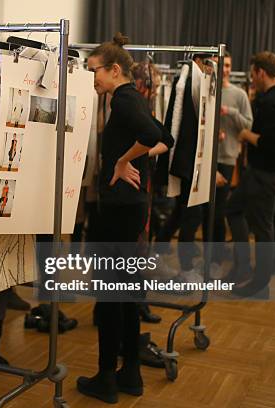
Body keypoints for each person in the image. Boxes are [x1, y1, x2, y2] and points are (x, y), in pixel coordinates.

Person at [77, 33, 174, 404]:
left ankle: (105, 378)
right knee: (128, 292)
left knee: (112, 293)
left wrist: (122, 160)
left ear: (114, 69)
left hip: (119, 210)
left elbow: (153, 134)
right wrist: (138, 156)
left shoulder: (123, 100)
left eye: (94, 71)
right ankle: (130, 373)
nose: (92, 79)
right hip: (131, 208)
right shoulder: (134, 98)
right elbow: (165, 138)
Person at [226, 51, 275, 298]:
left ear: (261, 72)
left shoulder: (271, 102)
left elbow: (273, 143)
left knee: (262, 228)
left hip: (266, 173)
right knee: (234, 209)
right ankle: (244, 268)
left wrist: (247, 136)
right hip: (262, 172)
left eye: (252, 74)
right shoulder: (274, 97)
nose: (251, 79)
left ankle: (260, 284)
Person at [204, 52, 254, 276]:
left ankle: (216, 257)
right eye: (221, 65)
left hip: (226, 158)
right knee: (204, 209)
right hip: (205, 158)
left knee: (219, 210)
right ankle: (209, 257)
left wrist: (230, 112)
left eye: (228, 66)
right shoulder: (207, 90)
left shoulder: (239, 94)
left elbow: (248, 125)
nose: (224, 69)